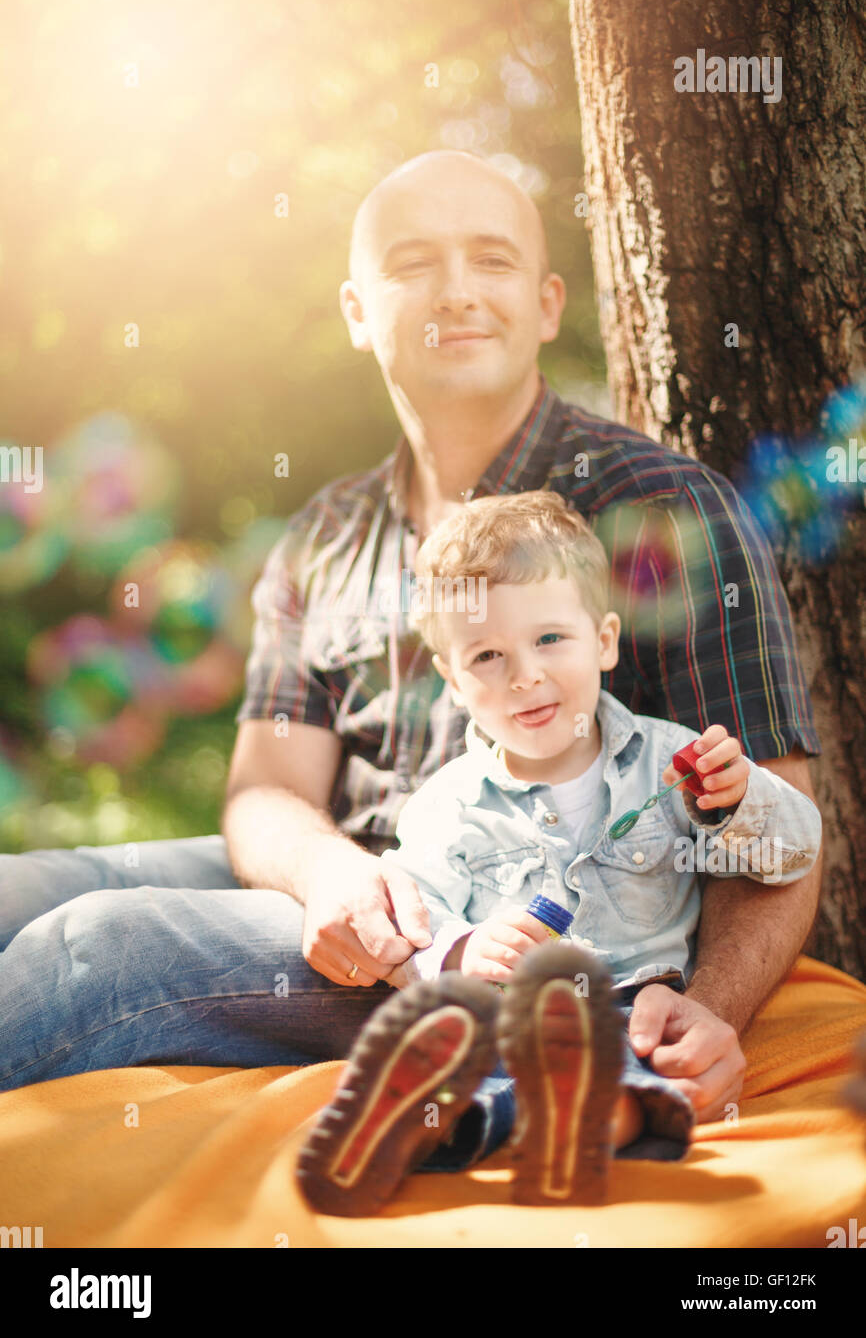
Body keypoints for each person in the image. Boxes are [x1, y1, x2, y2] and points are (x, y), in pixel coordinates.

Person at [0, 152, 822, 1125]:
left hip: (475, 944)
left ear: (548, 302)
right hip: (353, 888)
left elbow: (772, 825)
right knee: (23, 885)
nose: (459, 291)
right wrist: (331, 875)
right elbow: (266, 791)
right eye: (414, 262)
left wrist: (705, 1014)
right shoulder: (324, 533)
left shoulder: (661, 506)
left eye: (492, 260)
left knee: (92, 945)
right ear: (356, 309)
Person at [295, 490, 822, 1212]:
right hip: (509, 1014)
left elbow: (794, 852)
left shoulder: (673, 762)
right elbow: (412, 915)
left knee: (643, 1070)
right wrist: (459, 950)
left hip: (637, 1004)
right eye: (487, 655)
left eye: (550, 640)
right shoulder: (448, 804)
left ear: (604, 640)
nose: (524, 676)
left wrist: (738, 801)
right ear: (451, 681)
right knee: (475, 1052)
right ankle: (419, 1115)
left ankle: (513, 1123)